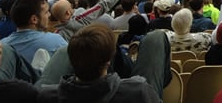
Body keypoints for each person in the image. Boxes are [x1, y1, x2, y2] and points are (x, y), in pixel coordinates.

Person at [36, 23, 168, 103]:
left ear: (72, 61)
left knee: (65, 50)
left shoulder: (47, 96)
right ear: (108, 61)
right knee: (155, 37)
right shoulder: (139, 91)